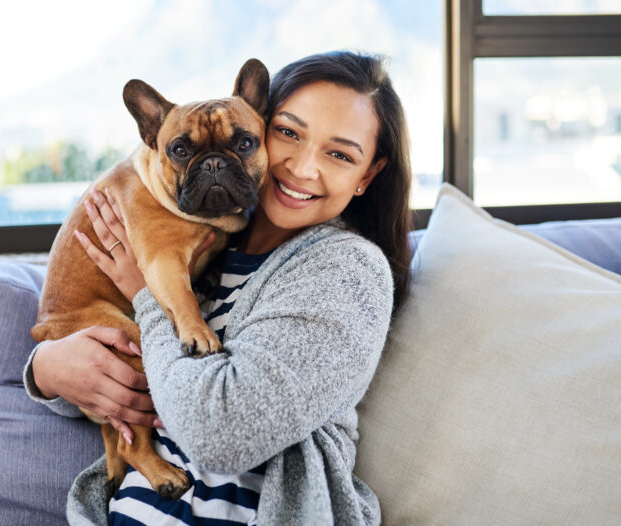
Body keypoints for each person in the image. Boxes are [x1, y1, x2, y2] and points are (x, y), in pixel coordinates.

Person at [26, 50, 412, 525]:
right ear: (266, 124)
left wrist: (147, 296)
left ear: (367, 175)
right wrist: (47, 369)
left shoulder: (346, 274)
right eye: (289, 133)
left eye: (339, 154)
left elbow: (222, 435)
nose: (301, 167)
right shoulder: (205, 243)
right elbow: (115, 392)